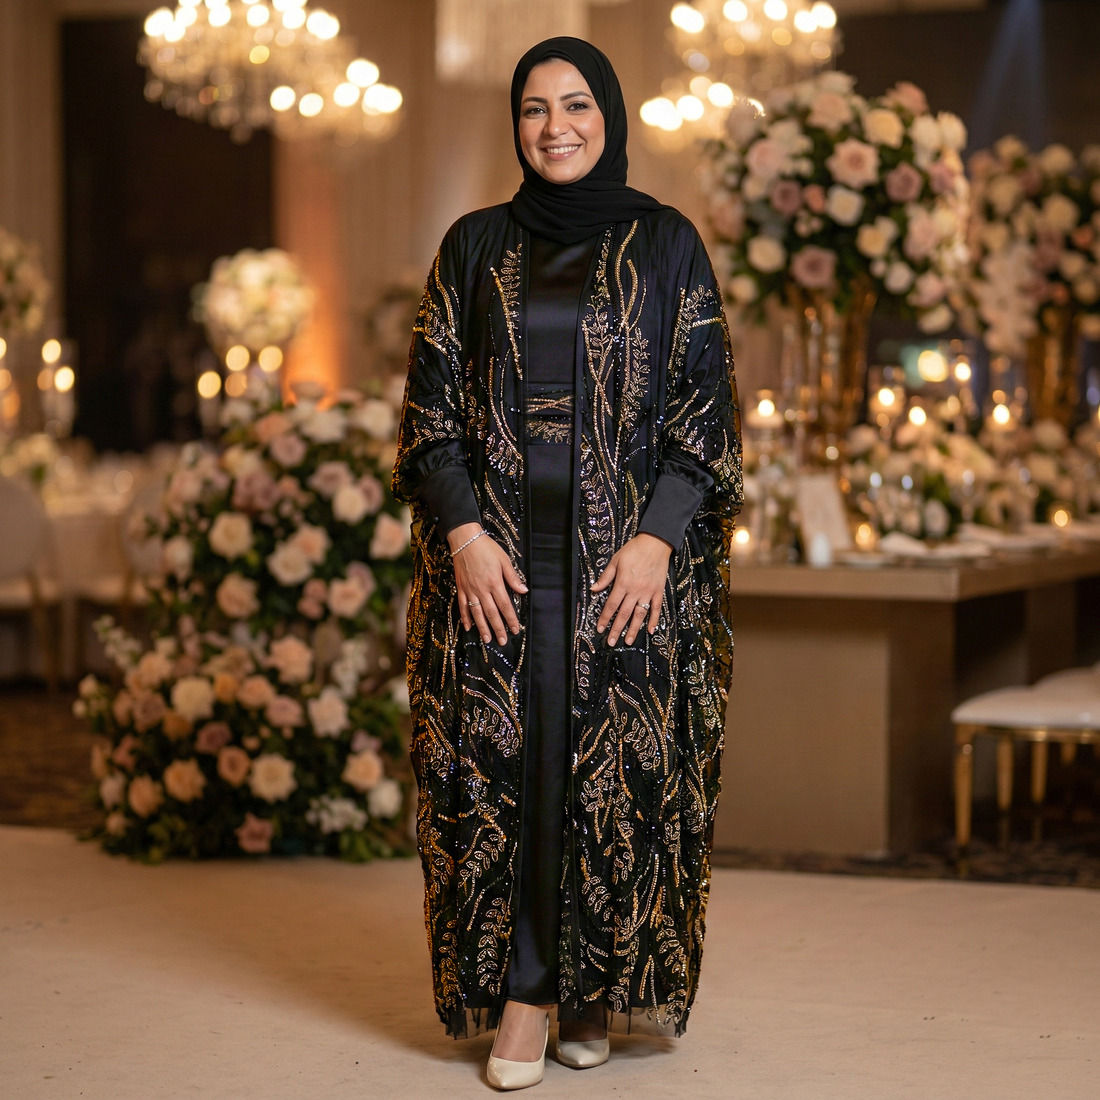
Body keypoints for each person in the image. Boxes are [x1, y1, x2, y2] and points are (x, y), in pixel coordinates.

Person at [392, 36, 742, 1091]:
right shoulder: (472, 246)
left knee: (608, 778)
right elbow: (428, 414)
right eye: (535, 108)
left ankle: (587, 988)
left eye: (577, 104)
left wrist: (655, 540)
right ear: (515, 123)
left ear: (610, 116)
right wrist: (463, 536)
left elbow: (705, 412)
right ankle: (526, 993)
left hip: (622, 569)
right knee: (512, 772)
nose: (555, 127)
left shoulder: (666, 242)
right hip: (498, 565)